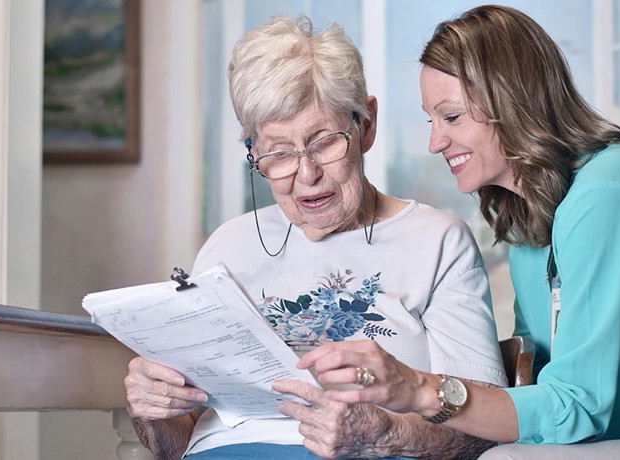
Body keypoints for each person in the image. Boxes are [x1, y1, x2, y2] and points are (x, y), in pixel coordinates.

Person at [293, 5, 620, 458]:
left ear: (515, 104)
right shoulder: (528, 220)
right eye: (430, 120)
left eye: (452, 117)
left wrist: (419, 389)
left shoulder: (609, 192)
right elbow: (531, 376)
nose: (435, 142)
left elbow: (575, 408)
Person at [125, 15, 508, 460]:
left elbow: (481, 430)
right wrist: (155, 410)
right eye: (278, 152)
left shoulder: (438, 241)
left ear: (366, 125)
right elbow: (173, 449)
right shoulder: (226, 245)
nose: (306, 175)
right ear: (252, 152)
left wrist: (382, 432)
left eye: (324, 141)